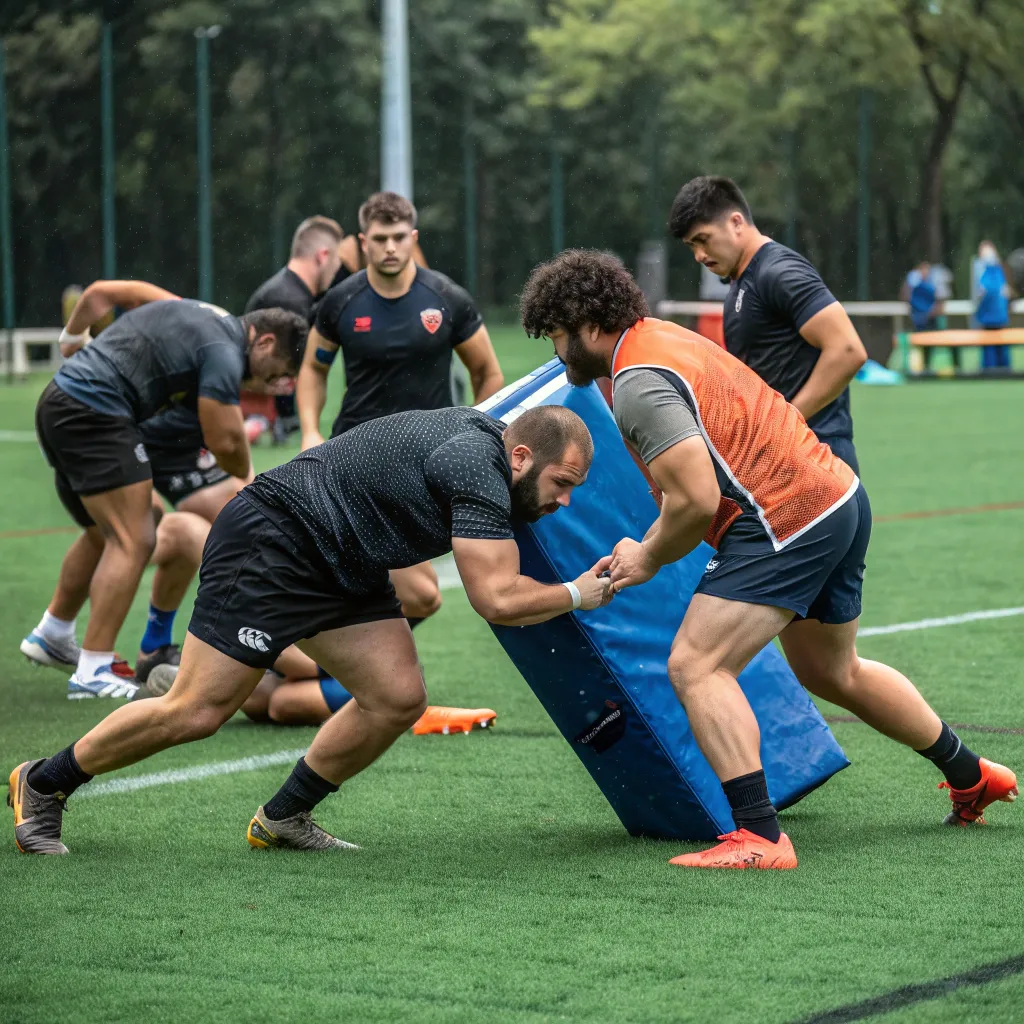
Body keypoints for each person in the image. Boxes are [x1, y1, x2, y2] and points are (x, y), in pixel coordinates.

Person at [519, 248, 1017, 870]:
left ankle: (761, 837)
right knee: (836, 672)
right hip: (836, 496)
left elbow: (697, 499)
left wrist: (645, 556)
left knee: (696, 664)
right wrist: (651, 540)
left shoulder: (637, 382)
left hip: (787, 520)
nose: (558, 352)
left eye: (560, 336)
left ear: (589, 326)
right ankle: (973, 775)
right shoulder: (658, 340)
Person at [9, 405, 612, 855]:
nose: (562, 502)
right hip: (276, 540)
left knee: (396, 698)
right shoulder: (476, 464)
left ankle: (284, 817)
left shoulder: (495, 457)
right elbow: (496, 599)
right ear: (521, 457)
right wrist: (579, 593)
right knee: (197, 709)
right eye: (561, 484)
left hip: (346, 560)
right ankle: (43, 782)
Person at [26, 295, 306, 699]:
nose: (267, 386)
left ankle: (52, 633)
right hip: (95, 410)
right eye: (272, 374)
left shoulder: (205, 316)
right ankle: (93, 669)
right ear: (262, 342)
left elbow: (110, 288)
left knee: (109, 533)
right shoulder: (225, 353)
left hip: (62, 402)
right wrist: (248, 476)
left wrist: (73, 334)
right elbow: (225, 440)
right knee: (134, 538)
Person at [297, 191, 506, 626]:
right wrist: (310, 431)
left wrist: (472, 434)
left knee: (388, 588)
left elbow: (487, 372)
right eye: (379, 238)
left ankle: (340, 675)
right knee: (422, 595)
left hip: (428, 464)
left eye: (397, 237)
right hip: (354, 461)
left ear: (412, 237)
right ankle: (344, 676)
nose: (389, 247)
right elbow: (313, 371)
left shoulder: (447, 298)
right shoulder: (341, 302)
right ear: (361, 242)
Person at [668, 177, 867, 473]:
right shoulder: (742, 281)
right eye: (691, 246)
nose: (698, 255)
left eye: (703, 239)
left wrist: (786, 422)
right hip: (788, 456)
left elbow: (848, 350)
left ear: (736, 222)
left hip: (818, 456)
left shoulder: (778, 272)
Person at [245, 217, 345, 440]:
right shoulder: (288, 301)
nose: (337, 269)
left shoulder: (290, 293)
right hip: (256, 415)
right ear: (323, 256)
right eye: (336, 261)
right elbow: (282, 375)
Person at [901, 259, 954, 373]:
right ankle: (921, 368)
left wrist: (930, 313)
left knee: (933, 344)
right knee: (919, 345)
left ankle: (928, 367)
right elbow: (906, 297)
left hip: (931, 320)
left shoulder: (933, 284)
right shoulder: (914, 284)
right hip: (920, 321)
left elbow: (940, 303)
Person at [974, 241, 1012, 371]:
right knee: (991, 344)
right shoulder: (989, 269)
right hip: (990, 315)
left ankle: (997, 367)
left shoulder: (993, 270)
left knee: (996, 344)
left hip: (995, 315)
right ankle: (994, 367)